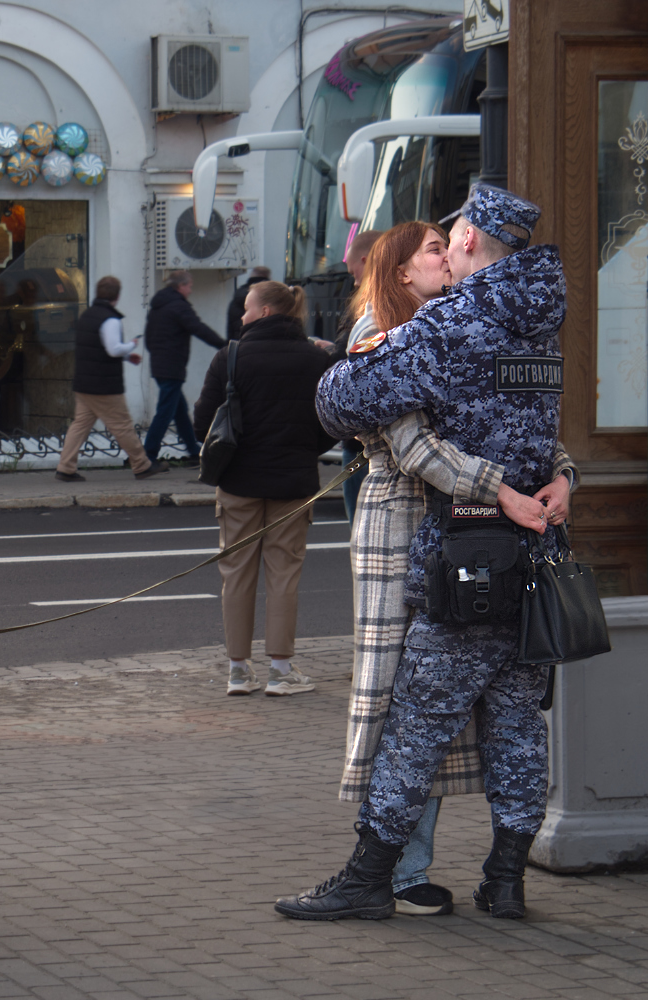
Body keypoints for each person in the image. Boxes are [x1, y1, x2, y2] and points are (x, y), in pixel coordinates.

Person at [279, 185, 570, 922]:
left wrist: (364, 356)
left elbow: (341, 400)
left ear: (468, 239)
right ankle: (506, 880)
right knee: (516, 723)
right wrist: (564, 478)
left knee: (415, 725)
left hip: (468, 557)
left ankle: (370, 877)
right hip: (537, 557)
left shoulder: (458, 320)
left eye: (451, 239)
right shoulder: (541, 322)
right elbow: (540, 432)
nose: (446, 251)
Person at [191, 281, 336, 698]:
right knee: (284, 576)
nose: (241, 316)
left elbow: (203, 423)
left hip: (238, 481)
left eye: (247, 308)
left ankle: (238, 670)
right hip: (293, 483)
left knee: (235, 575)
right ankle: (280, 670)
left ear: (266, 312)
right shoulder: (315, 359)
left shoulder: (230, 357)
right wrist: (302, 448)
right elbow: (331, 422)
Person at [55, 276, 169, 483]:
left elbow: (98, 348)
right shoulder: (110, 319)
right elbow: (113, 348)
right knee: (122, 425)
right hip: (104, 385)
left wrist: (126, 357)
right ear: (117, 296)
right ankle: (142, 465)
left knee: (80, 425)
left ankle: (65, 467)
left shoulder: (87, 315)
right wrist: (131, 345)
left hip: (84, 382)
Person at [143, 270, 226, 463]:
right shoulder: (179, 306)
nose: (190, 290)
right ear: (181, 286)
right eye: (189, 286)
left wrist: (158, 355)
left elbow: (148, 339)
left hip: (160, 365)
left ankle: (193, 450)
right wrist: (224, 345)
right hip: (172, 366)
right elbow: (199, 328)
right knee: (165, 412)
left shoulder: (158, 306)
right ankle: (148, 454)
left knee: (179, 411)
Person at [330, 229, 384, 522]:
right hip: (373, 442)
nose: (354, 281)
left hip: (361, 444)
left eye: (354, 272)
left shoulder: (364, 313)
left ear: (366, 260)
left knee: (361, 529)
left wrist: (331, 355)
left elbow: (346, 366)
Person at [226, 265, 272, 340]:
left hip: (239, 347)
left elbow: (230, 331)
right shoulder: (270, 299)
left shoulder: (237, 297)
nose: (243, 317)